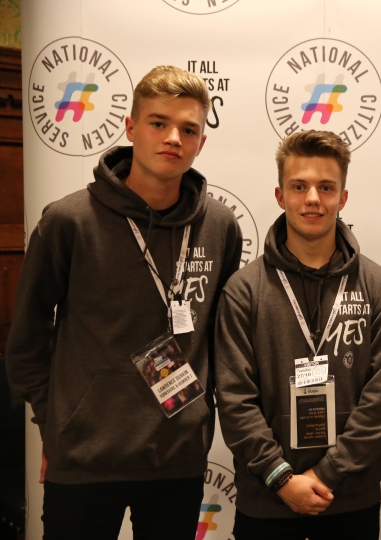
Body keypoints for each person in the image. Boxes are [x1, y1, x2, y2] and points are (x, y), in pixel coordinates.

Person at [5, 65, 243, 539]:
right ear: (131, 127)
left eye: (188, 129)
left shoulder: (220, 226)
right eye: (158, 123)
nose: (173, 137)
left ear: (201, 142)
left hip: (177, 460)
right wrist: (57, 428)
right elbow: (26, 342)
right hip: (86, 461)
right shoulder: (68, 221)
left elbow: (223, 341)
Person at [214, 130, 381, 540]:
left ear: (343, 196)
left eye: (326, 187)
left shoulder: (379, 287)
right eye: (299, 186)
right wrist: (282, 478)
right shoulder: (244, 290)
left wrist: (327, 473)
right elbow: (234, 399)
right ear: (281, 195)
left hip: (350, 499)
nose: (313, 198)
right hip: (266, 501)